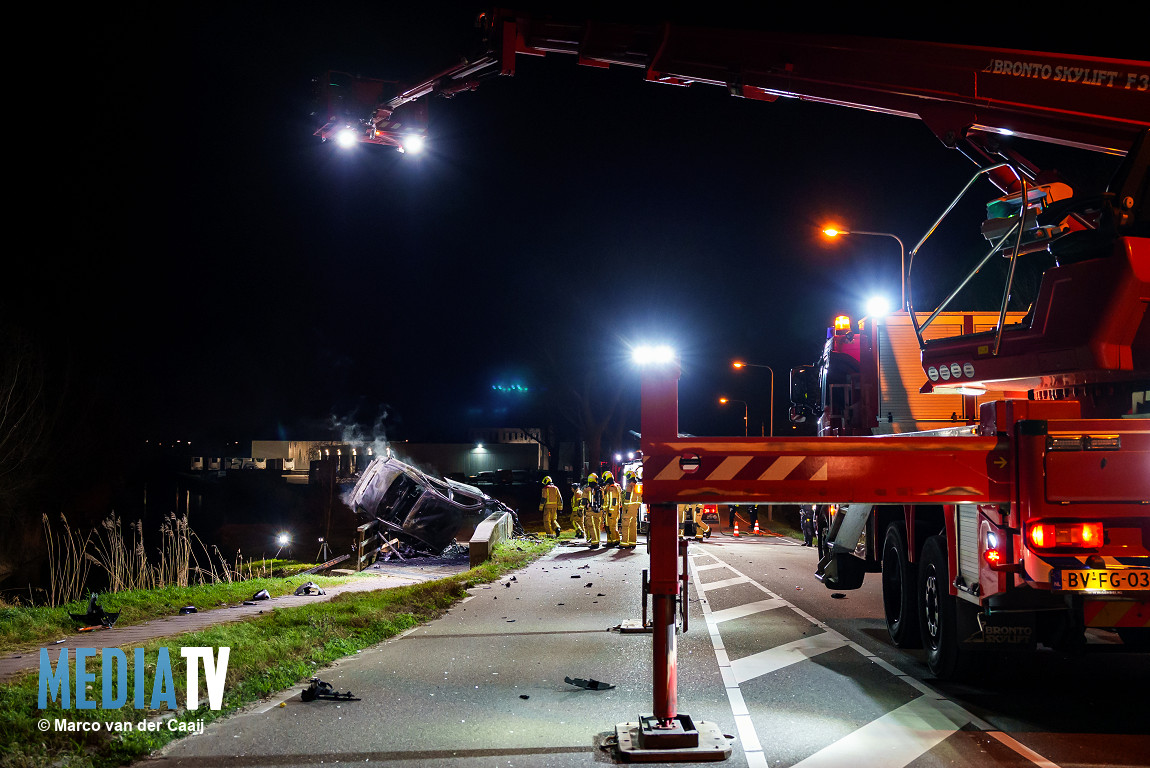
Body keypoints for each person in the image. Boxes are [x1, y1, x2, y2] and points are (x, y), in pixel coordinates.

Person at [619, 470, 642, 549]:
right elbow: (640, 499)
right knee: (633, 526)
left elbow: (627, 498)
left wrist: (625, 506)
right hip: (634, 509)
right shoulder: (638, 486)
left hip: (628, 509)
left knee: (625, 526)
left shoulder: (629, 486)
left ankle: (624, 543)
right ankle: (632, 542)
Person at [601, 470, 622, 547]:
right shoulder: (612, 487)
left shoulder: (612, 488)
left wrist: (610, 510)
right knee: (608, 526)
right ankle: (610, 541)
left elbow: (613, 501)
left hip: (611, 511)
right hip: (609, 511)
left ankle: (614, 541)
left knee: (612, 527)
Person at [584, 473, 603, 549]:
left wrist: (581, 508)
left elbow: (584, 501)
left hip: (590, 511)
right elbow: (603, 500)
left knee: (591, 527)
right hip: (598, 511)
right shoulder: (600, 489)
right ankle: (598, 541)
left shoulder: (586, 490)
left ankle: (594, 543)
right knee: (597, 527)